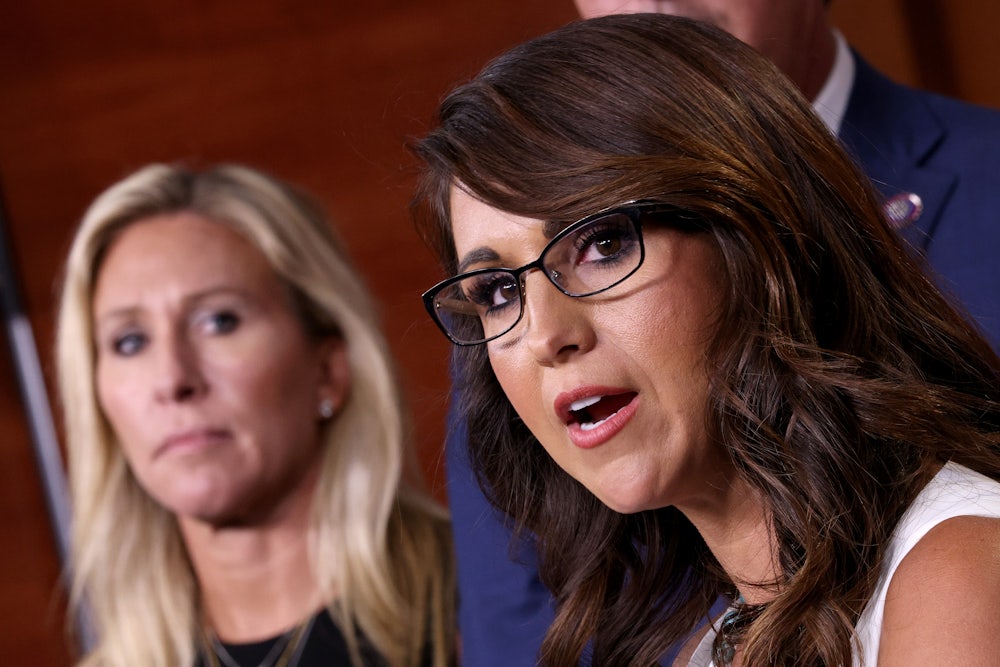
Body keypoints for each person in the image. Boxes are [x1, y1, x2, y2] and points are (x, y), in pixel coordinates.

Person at [413, 14, 1000, 666]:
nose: (549, 333)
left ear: (756, 237)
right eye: (497, 290)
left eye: (604, 244)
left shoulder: (960, 572)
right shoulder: (717, 643)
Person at [57, 163, 457, 667]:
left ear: (328, 369)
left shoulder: (493, 607)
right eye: (130, 341)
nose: (173, 379)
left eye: (219, 321)